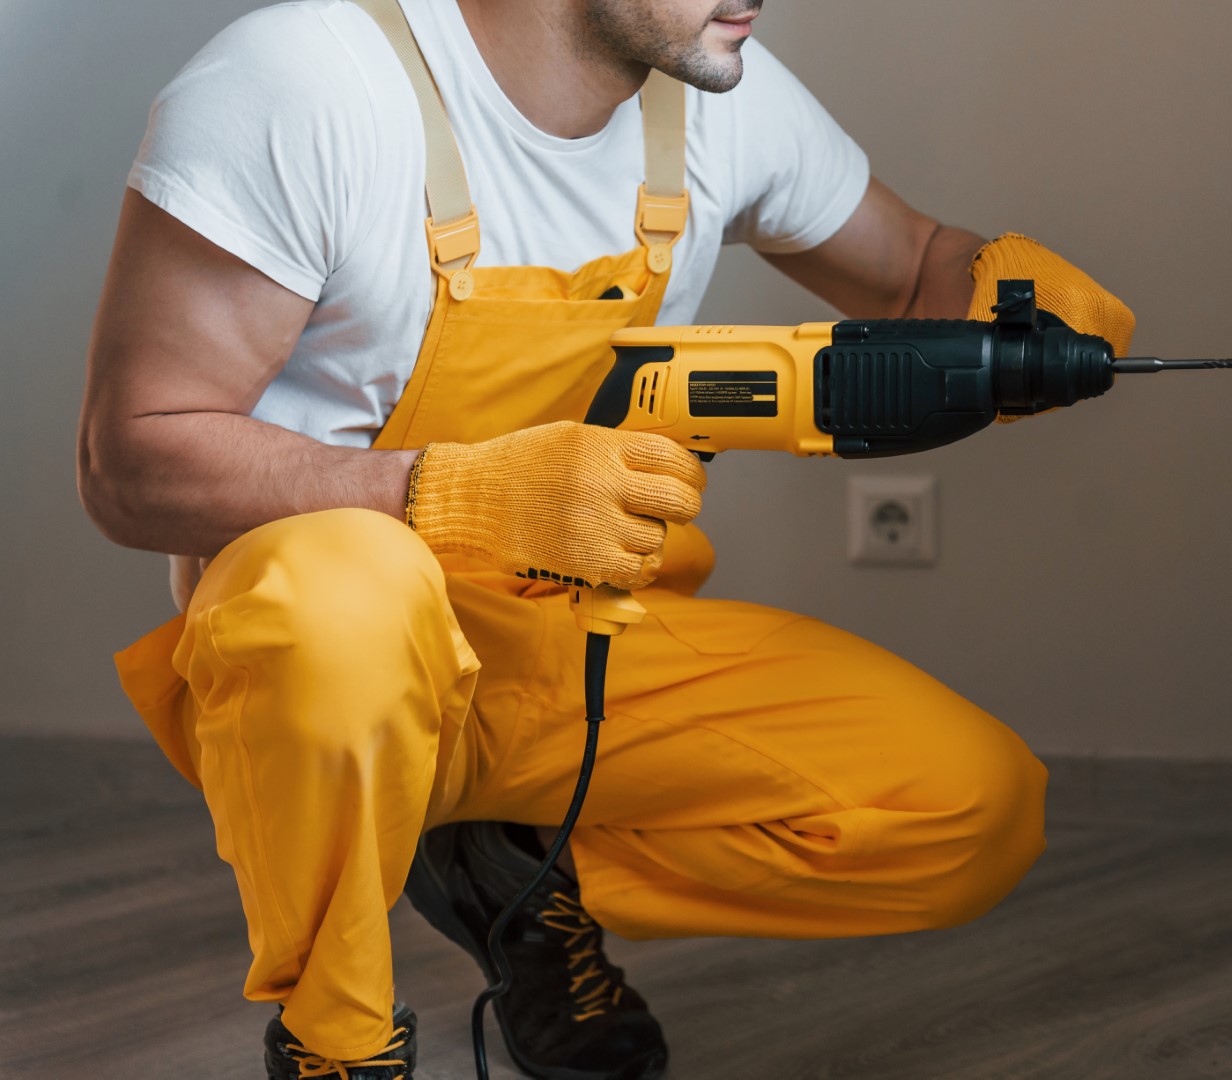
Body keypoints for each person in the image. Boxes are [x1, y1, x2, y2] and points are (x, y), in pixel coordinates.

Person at [78, 1, 1136, 1077]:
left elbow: (913, 269)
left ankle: (519, 877)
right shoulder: (311, 80)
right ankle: (336, 1040)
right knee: (347, 591)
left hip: (572, 631)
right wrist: (446, 493)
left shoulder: (719, 89)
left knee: (964, 808)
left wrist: (1006, 299)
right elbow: (129, 458)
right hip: (325, 674)